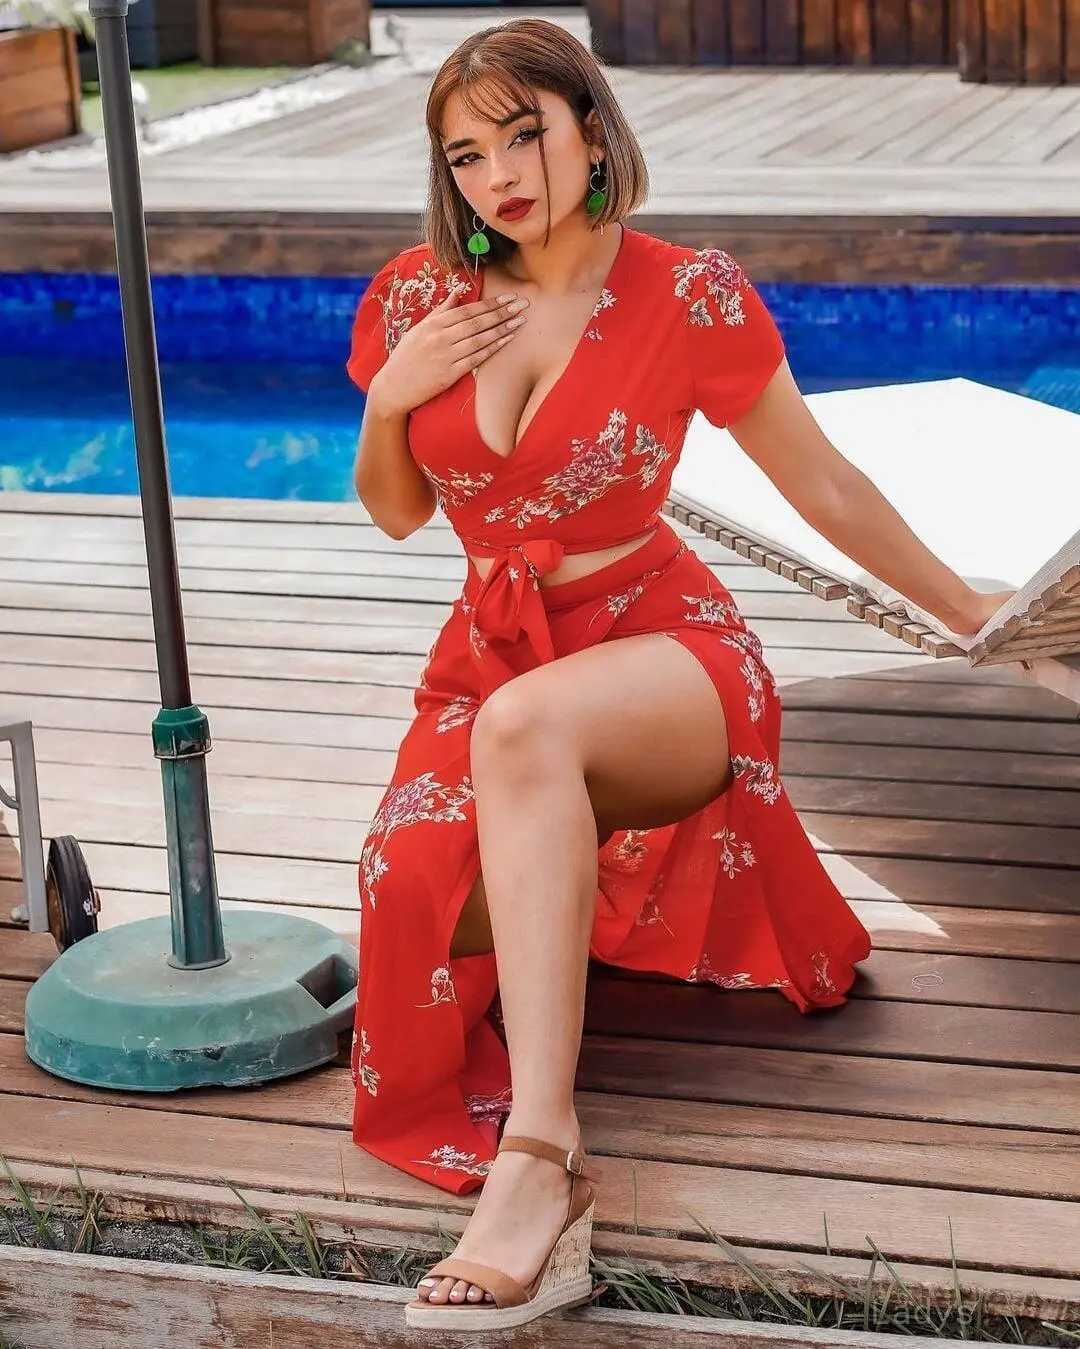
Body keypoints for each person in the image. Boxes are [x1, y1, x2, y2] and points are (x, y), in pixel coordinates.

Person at [344, 18, 1012, 1332]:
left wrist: (966, 606)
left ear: (592, 131)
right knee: (412, 889)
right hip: (495, 651)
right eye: (466, 154)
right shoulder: (419, 298)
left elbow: (824, 483)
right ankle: (557, 936)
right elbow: (398, 512)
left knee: (526, 732)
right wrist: (388, 399)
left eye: (523, 133)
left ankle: (541, 1158)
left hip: (669, 649)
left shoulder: (689, 293)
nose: (498, 175)